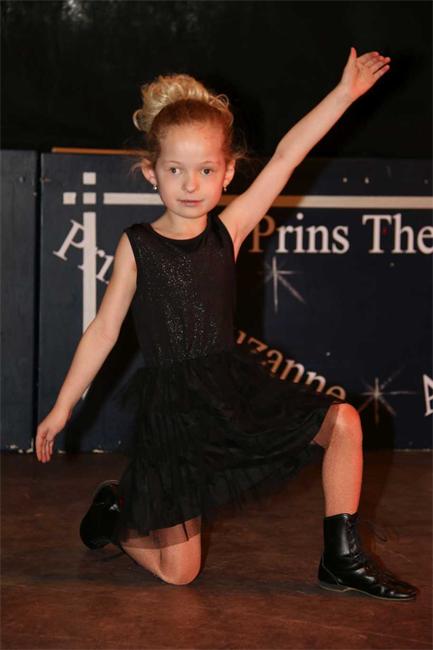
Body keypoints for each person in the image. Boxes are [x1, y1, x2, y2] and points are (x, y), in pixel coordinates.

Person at [35, 48, 417, 600]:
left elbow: (287, 155)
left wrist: (344, 94)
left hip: (232, 394)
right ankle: (117, 515)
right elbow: (103, 330)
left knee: (343, 423)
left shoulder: (228, 231)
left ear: (228, 172)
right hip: (175, 417)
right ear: (151, 173)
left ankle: (340, 558)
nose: (191, 184)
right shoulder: (137, 246)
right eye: (175, 170)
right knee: (180, 573)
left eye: (207, 170)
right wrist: (63, 406)